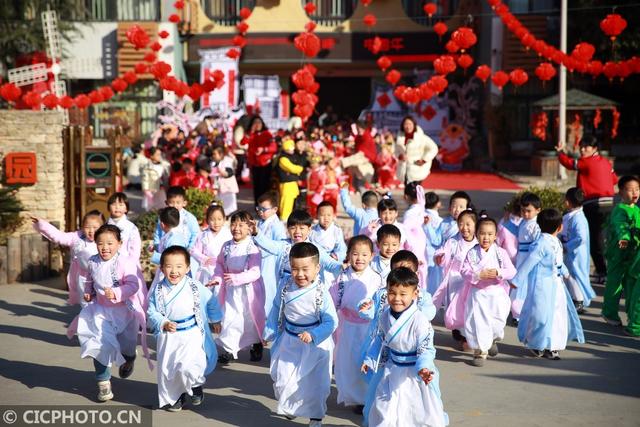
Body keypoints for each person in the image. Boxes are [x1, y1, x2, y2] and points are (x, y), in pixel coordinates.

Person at [69, 224, 149, 401]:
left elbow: (133, 284)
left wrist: (118, 292)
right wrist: (89, 291)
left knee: (127, 344)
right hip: (101, 311)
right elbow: (90, 277)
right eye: (100, 243)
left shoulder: (126, 262)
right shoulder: (93, 261)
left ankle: (128, 358)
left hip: (124, 310)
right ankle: (103, 382)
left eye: (110, 243)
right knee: (99, 344)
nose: (105, 247)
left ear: (120, 244)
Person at [263, 242, 338, 427]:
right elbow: (276, 307)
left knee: (316, 385)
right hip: (289, 340)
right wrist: (270, 329)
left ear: (317, 268)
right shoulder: (286, 285)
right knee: (282, 378)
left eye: (305, 269)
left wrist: (314, 334)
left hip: (315, 344)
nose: (300, 274)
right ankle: (291, 405)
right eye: (295, 269)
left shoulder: (321, 293)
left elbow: (331, 322)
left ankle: (316, 416)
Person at [361, 267, 448, 427]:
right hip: (391, 370)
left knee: (413, 414)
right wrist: (370, 359)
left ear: (415, 294)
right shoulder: (385, 315)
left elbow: (426, 349)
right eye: (392, 293)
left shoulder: (420, 320)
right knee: (385, 412)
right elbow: (380, 339)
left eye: (403, 294)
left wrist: (424, 367)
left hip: (413, 373)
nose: (396, 298)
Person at [147, 246, 223, 412]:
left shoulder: (195, 287)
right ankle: (176, 397)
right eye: (169, 266)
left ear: (188, 268)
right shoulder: (158, 290)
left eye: (179, 266)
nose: (174, 271)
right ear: (161, 268)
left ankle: (195, 385)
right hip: (170, 334)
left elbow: (211, 301)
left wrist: (215, 319)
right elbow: (151, 311)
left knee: (190, 365)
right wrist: (163, 322)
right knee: (170, 369)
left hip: (192, 333)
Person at [511, 209, 585, 360]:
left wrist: (564, 272)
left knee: (557, 315)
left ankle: (551, 346)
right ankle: (537, 343)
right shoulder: (540, 243)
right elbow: (529, 262)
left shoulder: (556, 241)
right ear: (559, 227)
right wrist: (517, 280)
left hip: (556, 285)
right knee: (541, 315)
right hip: (542, 285)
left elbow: (558, 262)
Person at [330, 236, 382, 412]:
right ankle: (354, 396)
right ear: (348, 255)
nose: (359, 258)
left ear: (372, 256)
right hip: (347, 326)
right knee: (348, 362)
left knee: (365, 361)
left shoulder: (376, 278)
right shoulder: (342, 277)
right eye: (355, 254)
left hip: (368, 328)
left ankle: (367, 396)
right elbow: (333, 298)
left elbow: (379, 301)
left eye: (364, 254)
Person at [557, 134, 618, 283]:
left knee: (593, 239)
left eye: (586, 147)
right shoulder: (606, 162)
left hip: (593, 204)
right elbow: (615, 179)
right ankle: (608, 269)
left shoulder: (586, 162)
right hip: (609, 203)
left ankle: (602, 272)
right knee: (604, 238)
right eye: (581, 146)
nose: (583, 149)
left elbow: (569, 163)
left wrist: (559, 152)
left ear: (595, 148)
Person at [459, 216, 516, 367]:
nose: (486, 237)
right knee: (478, 322)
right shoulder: (471, 253)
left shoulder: (500, 253)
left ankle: (492, 339)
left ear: (496, 235)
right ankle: (480, 351)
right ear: (477, 235)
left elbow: (511, 271)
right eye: (483, 234)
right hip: (478, 293)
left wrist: (498, 272)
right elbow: (464, 271)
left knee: (497, 323)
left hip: (497, 293)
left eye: (490, 234)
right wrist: (478, 275)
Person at [210, 210, 265, 364]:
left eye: (241, 225)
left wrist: (237, 278)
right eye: (234, 224)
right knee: (229, 318)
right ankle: (229, 349)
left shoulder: (252, 248)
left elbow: (255, 272)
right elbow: (220, 264)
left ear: (249, 228)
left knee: (248, 320)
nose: (236, 228)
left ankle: (256, 343)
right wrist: (217, 278)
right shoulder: (226, 246)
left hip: (248, 292)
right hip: (230, 290)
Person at [32, 210, 103, 307]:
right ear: (82, 228)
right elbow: (59, 236)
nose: (91, 231)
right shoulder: (77, 238)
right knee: (87, 306)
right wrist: (42, 224)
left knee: (102, 305)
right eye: (87, 227)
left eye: (95, 227)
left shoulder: (105, 239)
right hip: (84, 279)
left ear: (102, 228)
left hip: (102, 277)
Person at [431, 210, 479, 347]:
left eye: (468, 224)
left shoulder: (479, 243)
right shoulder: (452, 242)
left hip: (472, 281)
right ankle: (462, 335)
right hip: (455, 281)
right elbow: (441, 252)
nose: (464, 228)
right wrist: (439, 257)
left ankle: (471, 335)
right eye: (461, 224)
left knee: (471, 308)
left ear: (475, 225)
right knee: (457, 309)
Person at [602, 175, 640, 329]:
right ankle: (609, 313)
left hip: (632, 254)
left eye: (637, 189)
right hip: (618, 253)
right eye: (630, 190)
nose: (634, 193)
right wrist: (623, 238)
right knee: (615, 284)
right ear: (621, 192)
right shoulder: (620, 209)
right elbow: (620, 226)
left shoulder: (636, 208)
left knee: (631, 285)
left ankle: (632, 317)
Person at [424, 191, 472, 294]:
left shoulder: (470, 225)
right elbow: (436, 240)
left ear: (468, 209)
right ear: (449, 208)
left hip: (461, 261)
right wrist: (428, 226)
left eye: (461, 207)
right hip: (445, 262)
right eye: (454, 206)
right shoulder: (444, 223)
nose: (457, 210)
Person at [559, 188, 596, 313]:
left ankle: (579, 301)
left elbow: (581, 238)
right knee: (570, 275)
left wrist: (567, 246)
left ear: (568, 202)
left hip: (576, 254)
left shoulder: (579, 218)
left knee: (575, 276)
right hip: (571, 253)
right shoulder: (572, 215)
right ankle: (574, 299)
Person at [190, 203, 232, 299]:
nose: (216, 222)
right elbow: (194, 250)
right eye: (212, 219)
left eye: (219, 219)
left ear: (224, 219)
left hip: (223, 268)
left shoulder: (228, 234)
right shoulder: (203, 235)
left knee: (220, 295)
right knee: (206, 294)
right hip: (207, 268)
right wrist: (204, 258)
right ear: (207, 220)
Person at [511, 192, 542, 320]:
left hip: (528, 258)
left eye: (529, 211)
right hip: (521, 257)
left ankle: (520, 314)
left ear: (538, 210)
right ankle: (516, 311)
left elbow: (537, 245)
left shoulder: (536, 226)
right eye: (523, 210)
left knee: (524, 285)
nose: (525, 214)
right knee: (519, 284)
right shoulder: (523, 222)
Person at [151, 207, 190, 286]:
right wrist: (156, 247)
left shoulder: (174, 238)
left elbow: (173, 259)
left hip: (172, 273)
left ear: (162, 224)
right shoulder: (172, 236)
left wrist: (154, 256)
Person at [153, 186, 200, 251]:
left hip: (184, 251)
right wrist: (157, 245)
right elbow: (158, 232)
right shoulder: (163, 216)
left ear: (184, 203)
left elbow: (195, 234)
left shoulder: (189, 218)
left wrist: (190, 248)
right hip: (166, 249)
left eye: (178, 202)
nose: (175, 205)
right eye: (171, 202)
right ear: (166, 202)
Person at [395, 115, 439, 185]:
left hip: (416, 168)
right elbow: (395, 151)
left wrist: (424, 159)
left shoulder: (421, 137)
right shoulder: (399, 138)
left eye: (410, 124)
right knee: (407, 191)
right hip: (404, 169)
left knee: (416, 191)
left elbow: (434, 148)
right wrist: (400, 156)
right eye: (406, 124)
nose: (408, 126)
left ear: (414, 125)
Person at [245, 115, 277, 204]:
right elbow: (243, 142)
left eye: (259, 122)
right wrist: (251, 131)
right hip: (255, 164)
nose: (257, 124)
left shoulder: (267, 134)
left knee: (265, 186)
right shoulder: (250, 134)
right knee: (256, 186)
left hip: (265, 164)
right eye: (255, 122)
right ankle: (257, 205)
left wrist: (263, 149)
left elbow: (273, 147)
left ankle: (265, 204)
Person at [106, 192, 142, 262]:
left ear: (126, 209)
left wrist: (130, 263)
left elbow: (135, 249)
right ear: (108, 208)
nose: (117, 207)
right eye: (114, 204)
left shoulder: (131, 228)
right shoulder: (104, 226)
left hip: (126, 263)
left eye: (121, 204)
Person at [277, 138, 305, 222]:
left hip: (292, 182)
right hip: (286, 183)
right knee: (286, 200)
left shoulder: (292, 157)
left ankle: (289, 215)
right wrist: (300, 169)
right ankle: (284, 216)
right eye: (290, 148)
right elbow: (292, 168)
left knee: (292, 200)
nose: (292, 149)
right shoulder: (283, 159)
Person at [424, 191, 444, 295]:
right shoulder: (441, 221)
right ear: (438, 204)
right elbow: (438, 241)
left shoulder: (419, 216)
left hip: (421, 254)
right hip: (434, 256)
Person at [211, 145, 239, 215]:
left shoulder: (227, 161)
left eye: (215, 154)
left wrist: (222, 173)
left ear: (220, 154)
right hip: (217, 188)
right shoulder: (213, 162)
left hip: (227, 189)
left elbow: (229, 172)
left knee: (228, 208)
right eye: (213, 154)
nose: (213, 156)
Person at [142, 146, 170, 211]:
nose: (159, 156)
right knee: (151, 207)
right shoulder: (147, 167)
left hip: (161, 189)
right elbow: (145, 179)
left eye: (160, 154)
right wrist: (146, 190)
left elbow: (166, 176)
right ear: (151, 156)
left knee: (163, 205)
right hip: (151, 190)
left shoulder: (164, 165)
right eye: (157, 155)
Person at [497, 197, 522, 265]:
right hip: (522, 258)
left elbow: (498, 242)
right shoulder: (526, 223)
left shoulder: (505, 221)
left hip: (507, 259)